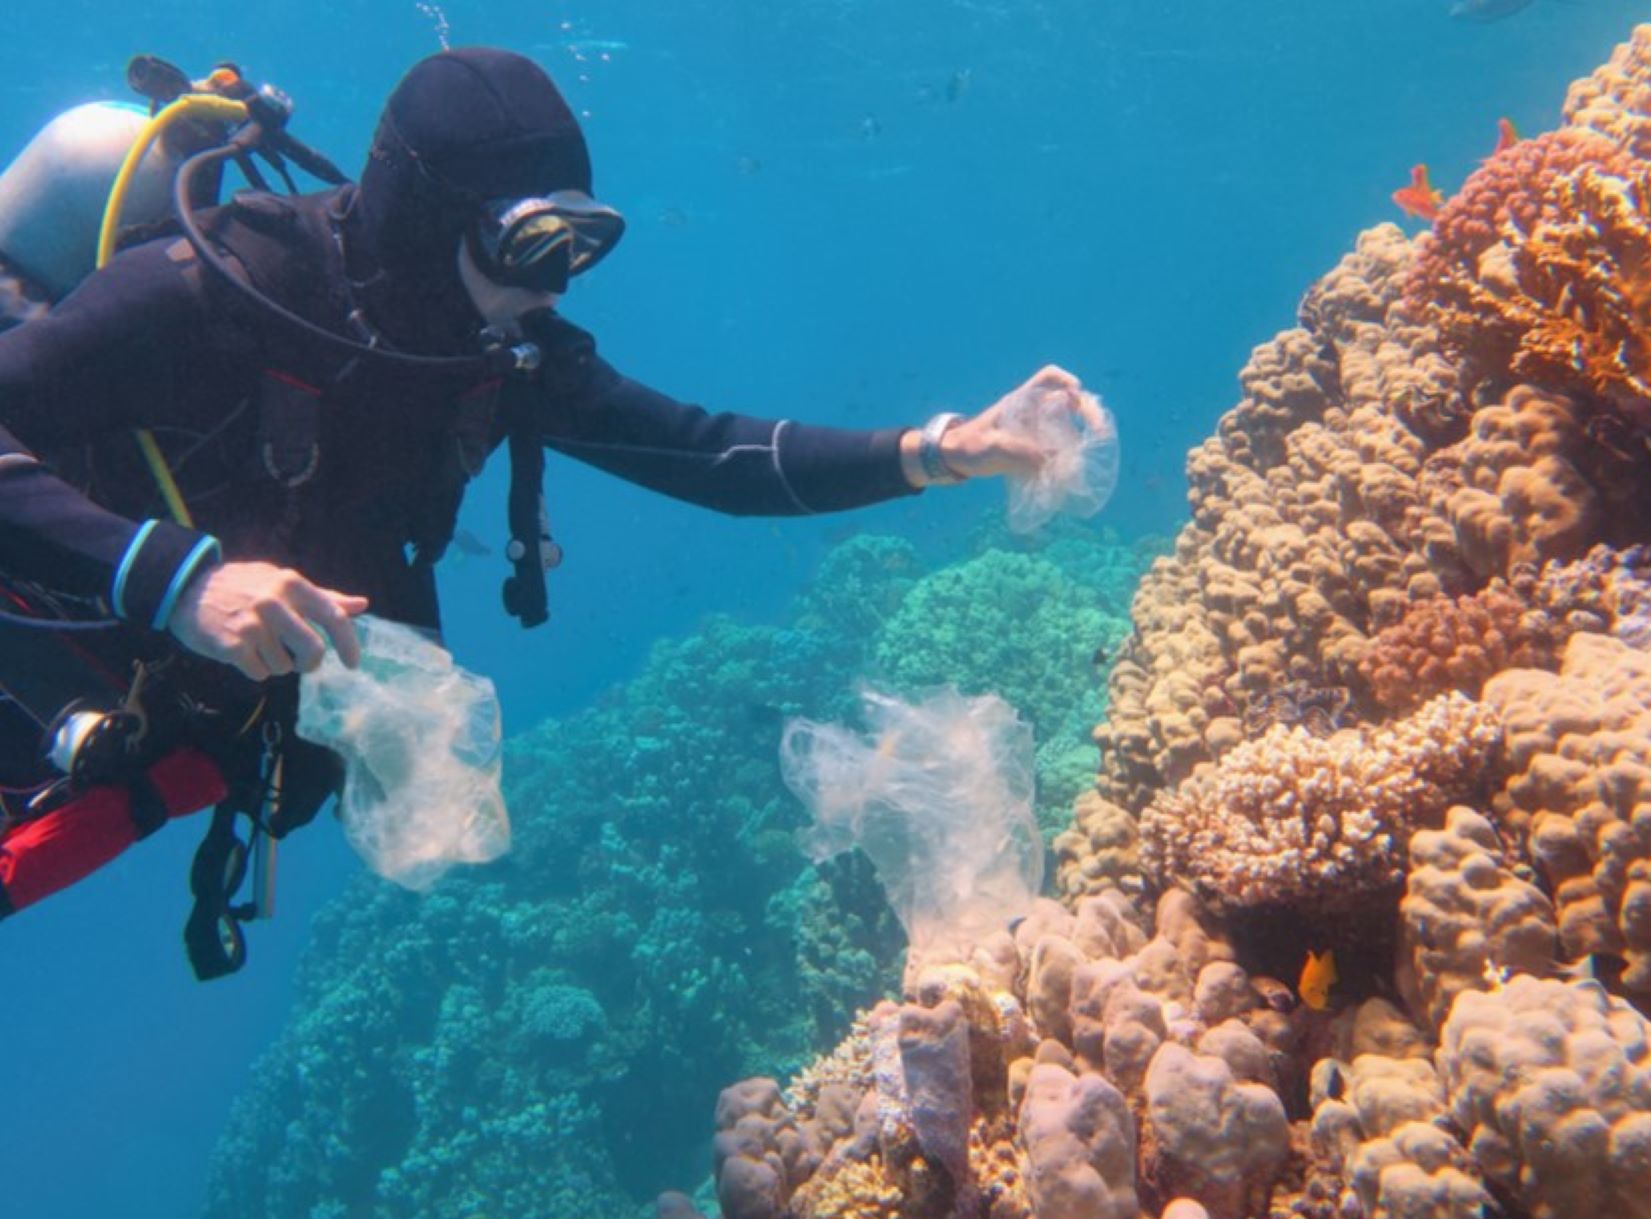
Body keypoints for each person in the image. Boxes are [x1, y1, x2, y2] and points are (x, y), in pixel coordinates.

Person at [0, 47, 1098, 973]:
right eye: (531, 243)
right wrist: (183, 582)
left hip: (174, 716)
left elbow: (705, 452)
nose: (561, 283)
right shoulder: (206, 297)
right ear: (431, 223)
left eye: (583, 241)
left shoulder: (497, 351)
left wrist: (938, 452)